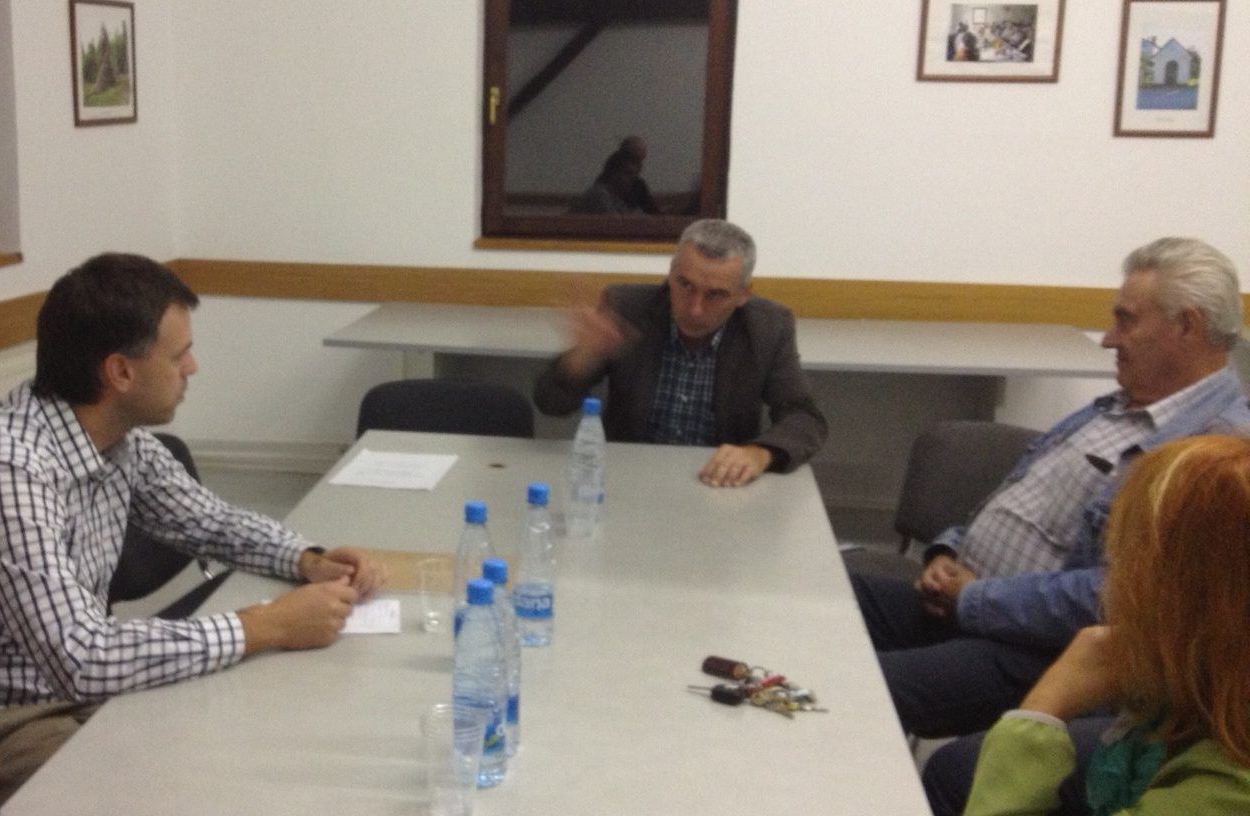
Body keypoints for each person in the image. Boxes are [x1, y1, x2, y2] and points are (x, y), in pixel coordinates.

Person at [0, 253, 388, 800]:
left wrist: (307, 558)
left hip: (59, 690)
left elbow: (210, 522)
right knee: (185, 784)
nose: (192, 368)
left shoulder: (117, 438)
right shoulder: (2, 468)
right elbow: (81, 655)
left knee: (242, 735)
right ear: (120, 372)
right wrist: (268, 625)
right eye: (179, 355)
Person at [849, 237, 1250, 768]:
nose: (1108, 339)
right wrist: (948, 549)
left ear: (1187, 327)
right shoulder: (1118, 408)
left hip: (1046, 652)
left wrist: (974, 599)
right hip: (973, 605)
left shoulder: (1212, 454)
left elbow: (1120, 598)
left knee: (850, 684)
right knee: (832, 600)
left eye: (1126, 320)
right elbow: (1017, 498)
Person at [964, 434, 1250, 815]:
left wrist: (1044, 707)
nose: (1112, 584)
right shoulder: (1214, 689)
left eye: (1128, 563)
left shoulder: (1221, 792)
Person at [533, 218, 828, 487]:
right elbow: (550, 403)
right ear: (671, 275)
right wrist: (581, 360)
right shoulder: (628, 307)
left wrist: (759, 453)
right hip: (629, 479)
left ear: (743, 295)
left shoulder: (768, 327)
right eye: (685, 285)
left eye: (715, 295)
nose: (695, 309)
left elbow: (804, 417)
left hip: (717, 483)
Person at [569, 135, 660, 215]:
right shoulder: (600, 194)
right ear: (613, 173)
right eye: (627, 173)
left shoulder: (617, 196)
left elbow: (647, 214)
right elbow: (617, 224)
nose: (633, 179)